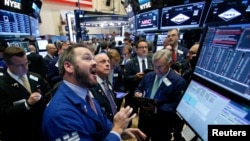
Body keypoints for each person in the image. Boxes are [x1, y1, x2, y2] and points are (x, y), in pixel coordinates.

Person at [42, 45, 146, 141]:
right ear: (69, 67)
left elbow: (101, 122)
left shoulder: (85, 94)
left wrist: (118, 133)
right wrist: (117, 130)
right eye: (87, 58)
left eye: (93, 58)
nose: (94, 63)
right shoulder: (61, 115)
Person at [134, 49, 187, 141]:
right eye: (154, 66)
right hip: (144, 119)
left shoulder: (179, 81)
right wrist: (137, 93)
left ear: (169, 64)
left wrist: (156, 108)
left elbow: (177, 105)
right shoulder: (149, 76)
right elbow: (139, 87)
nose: (156, 70)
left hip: (162, 123)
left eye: (160, 67)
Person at [0, 46, 50, 141]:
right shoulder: (2, 84)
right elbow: (3, 114)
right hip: (18, 134)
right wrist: (27, 104)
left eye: (26, 63)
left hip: (41, 129)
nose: (25, 67)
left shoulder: (36, 77)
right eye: (20, 65)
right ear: (7, 64)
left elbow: (48, 95)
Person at [123, 39, 153, 127]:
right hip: (133, 94)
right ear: (136, 49)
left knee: (145, 118)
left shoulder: (152, 61)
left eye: (146, 47)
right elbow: (126, 78)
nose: (144, 49)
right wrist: (135, 77)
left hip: (147, 95)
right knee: (129, 115)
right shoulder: (130, 63)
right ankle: (126, 131)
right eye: (141, 47)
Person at [90, 53, 118, 122]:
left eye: (108, 61)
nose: (108, 64)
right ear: (94, 66)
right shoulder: (90, 86)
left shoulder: (107, 82)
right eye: (103, 61)